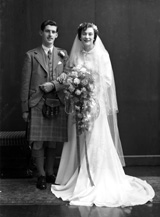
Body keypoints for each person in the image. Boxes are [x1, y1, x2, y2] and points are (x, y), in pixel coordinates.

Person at [51, 22, 155, 207]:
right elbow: (69, 75)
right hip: (78, 104)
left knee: (95, 139)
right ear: (80, 36)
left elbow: (106, 80)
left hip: (93, 104)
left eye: (90, 34)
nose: (86, 37)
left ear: (95, 36)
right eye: (84, 34)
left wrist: (88, 89)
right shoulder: (75, 54)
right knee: (78, 139)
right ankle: (75, 174)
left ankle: (96, 176)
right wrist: (76, 88)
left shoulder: (102, 55)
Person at [21, 20, 68, 190]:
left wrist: (54, 85)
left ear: (57, 34)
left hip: (57, 103)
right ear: (41, 33)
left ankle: (49, 173)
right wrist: (25, 108)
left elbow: (68, 78)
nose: (50, 34)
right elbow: (25, 84)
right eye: (47, 31)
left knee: (52, 142)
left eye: (53, 31)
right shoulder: (31, 55)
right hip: (37, 103)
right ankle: (40, 174)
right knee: (38, 142)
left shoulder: (63, 55)